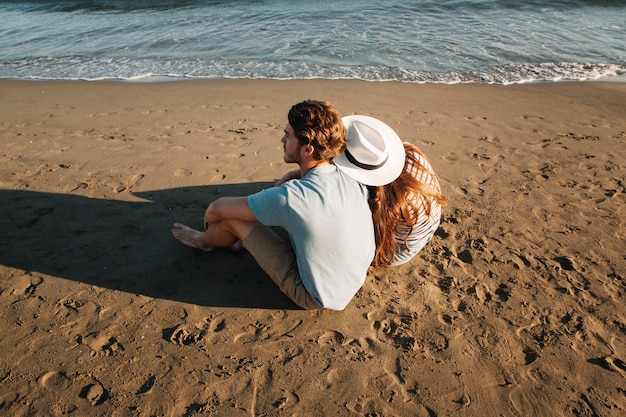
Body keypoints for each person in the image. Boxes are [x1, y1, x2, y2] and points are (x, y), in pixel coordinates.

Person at [171, 100, 377, 310]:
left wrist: (211, 219)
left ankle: (203, 241)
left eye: (288, 136)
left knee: (233, 218)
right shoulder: (348, 178)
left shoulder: (295, 197)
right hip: (350, 279)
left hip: (315, 295)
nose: (282, 140)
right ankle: (237, 240)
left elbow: (216, 208)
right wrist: (289, 176)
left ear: (308, 149)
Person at [334, 115, 446, 267]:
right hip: (425, 230)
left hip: (401, 250)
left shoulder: (391, 200)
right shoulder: (410, 153)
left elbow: (373, 234)